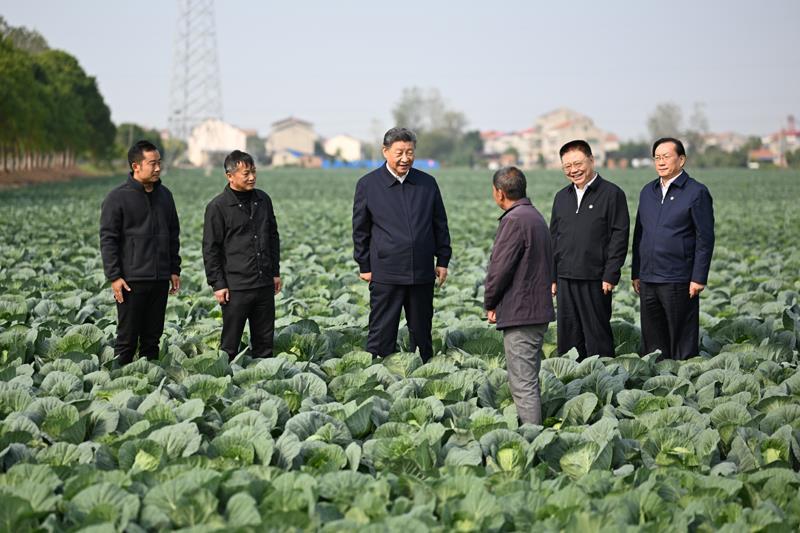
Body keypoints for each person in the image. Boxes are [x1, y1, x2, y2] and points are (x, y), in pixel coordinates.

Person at [352, 127, 451, 361]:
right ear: (385, 152)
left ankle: (424, 370)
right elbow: (360, 229)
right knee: (381, 332)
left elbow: (440, 224)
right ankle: (379, 373)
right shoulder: (368, 184)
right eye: (399, 152)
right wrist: (364, 265)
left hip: (421, 271)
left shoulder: (427, 183)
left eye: (410, 152)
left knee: (422, 331)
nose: (405, 158)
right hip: (386, 271)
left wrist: (443, 259)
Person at [632, 137, 715, 360]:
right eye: (657, 157)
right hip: (649, 278)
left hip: (678, 277)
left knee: (681, 338)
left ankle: (685, 377)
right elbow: (640, 233)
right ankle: (656, 378)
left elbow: (705, 238)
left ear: (681, 160)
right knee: (652, 338)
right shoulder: (647, 191)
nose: (661, 162)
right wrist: (636, 272)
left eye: (666, 156)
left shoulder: (696, 192)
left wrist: (698, 278)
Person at [99, 140, 181, 366]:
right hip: (131, 281)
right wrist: (114, 276)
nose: (157, 168)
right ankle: (118, 383)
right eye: (152, 163)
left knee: (152, 340)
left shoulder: (165, 195)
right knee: (126, 339)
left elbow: (173, 234)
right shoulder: (117, 198)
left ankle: (150, 385)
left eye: (159, 163)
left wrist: (174, 269)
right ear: (136, 166)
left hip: (159, 279)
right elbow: (108, 240)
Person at [485, 167, 554, 425]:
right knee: (529, 379)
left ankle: (532, 441)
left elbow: (499, 269)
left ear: (499, 193)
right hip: (536, 311)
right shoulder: (535, 216)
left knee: (523, 384)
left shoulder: (514, 220)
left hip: (521, 313)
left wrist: (490, 302)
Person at [549, 140, 629, 359]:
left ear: (591, 160)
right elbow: (554, 238)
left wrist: (611, 273)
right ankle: (571, 383)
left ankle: (602, 379)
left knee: (597, 335)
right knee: (568, 335)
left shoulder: (612, 194)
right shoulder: (561, 197)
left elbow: (619, 237)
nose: (573, 170)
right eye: (567, 167)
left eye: (578, 163)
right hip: (565, 277)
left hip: (596, 278)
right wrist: (552, 276)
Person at [203, 150, 281, 360]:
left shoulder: (263, 200)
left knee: (265, 343)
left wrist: (275, 272)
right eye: (246, 173)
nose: (252, 177)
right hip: (236, 286)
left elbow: (272, 237)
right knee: (230, 343)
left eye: (254, 171)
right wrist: (218, 284)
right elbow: (211, 248)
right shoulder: (218, 207)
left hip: (263, 282)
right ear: (230, 176)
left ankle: (263, 382)